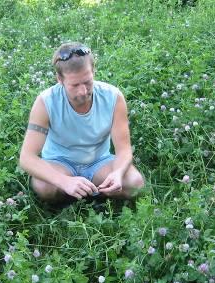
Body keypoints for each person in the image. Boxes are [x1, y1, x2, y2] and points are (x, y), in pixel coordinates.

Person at [19, 42, 144, 203]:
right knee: (44, 187)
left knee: (135, 183)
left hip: (99, 162)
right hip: (60, 163)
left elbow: (124, 150)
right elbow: (27, 158)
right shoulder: (46, 102)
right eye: (74, 85)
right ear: (60, 79)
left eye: (87, 82)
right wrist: (63, 181)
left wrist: (117, 173)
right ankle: (77, 197)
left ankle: (90, 191)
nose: (83, 91)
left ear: (93, 71)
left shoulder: (113, 97)